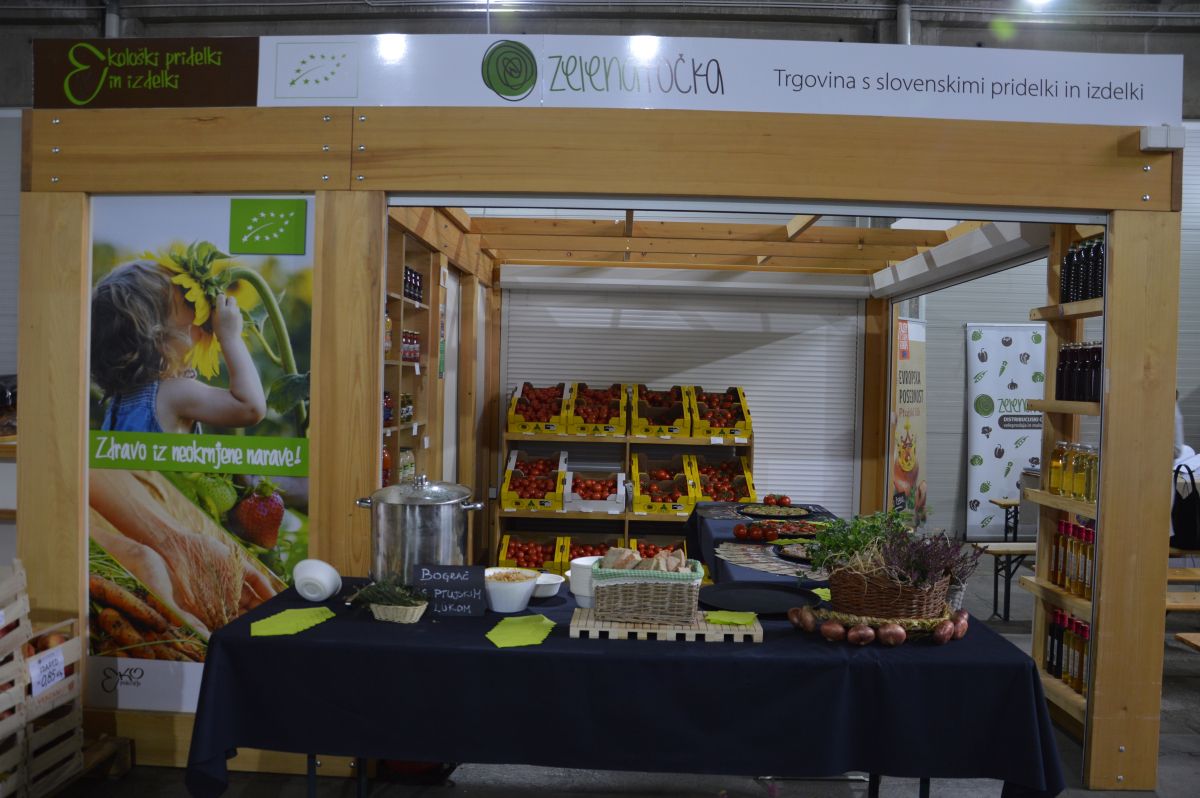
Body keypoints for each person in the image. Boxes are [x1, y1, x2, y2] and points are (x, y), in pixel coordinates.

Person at [91, 260, 266, 434]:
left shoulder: (119, 404)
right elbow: (250, 408)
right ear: (159, 338)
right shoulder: (172, 394)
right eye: (188, 302)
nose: (198, 311)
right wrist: (230, 337)